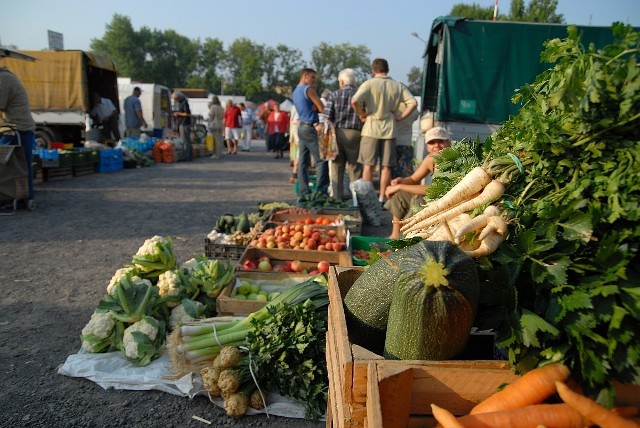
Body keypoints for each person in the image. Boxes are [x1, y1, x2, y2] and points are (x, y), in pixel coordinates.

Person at [351, 58, 417, 206]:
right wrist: (400, 117)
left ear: (373, 70)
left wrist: (362, 114)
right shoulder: (397, 85)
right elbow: (413, 103)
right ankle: (382, 197)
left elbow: (354, 101)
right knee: (386, 166)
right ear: (387, 69)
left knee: (368, 164)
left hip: (371, 127)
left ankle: (367, 199)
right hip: (390, 128)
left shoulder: (369, 84)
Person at [384, 127, 452, 239]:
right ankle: (395, 235)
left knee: (418, 200)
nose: (436, 145)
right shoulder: (431, 159)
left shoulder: (451, 161)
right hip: (434, 197)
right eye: (432, 142)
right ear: (427, 147)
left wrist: (401, 186)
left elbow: (434, 190)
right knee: (399, 195)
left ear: (448, 142)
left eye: (441, 141)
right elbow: (414, 179)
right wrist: (401, 181)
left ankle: (407, 238)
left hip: (445, 202)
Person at [323, 68, 363, 200]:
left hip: (338, 134)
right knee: (355, 168)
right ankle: (356, 200)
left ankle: (337, 198)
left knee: (336, 167)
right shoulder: (360, 94)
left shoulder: (334, 95)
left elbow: (327, 116)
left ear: (341, 81)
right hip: (356, 134)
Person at [0, 65, 36, 202]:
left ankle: (20, 198)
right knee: (22, 166)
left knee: (12, 166)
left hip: (15, 129)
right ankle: (23, 198)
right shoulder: (8, 76)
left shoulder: (3, 79)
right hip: (20, 128)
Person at [292, 68, 329, 197]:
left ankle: (303, 191)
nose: (314, 81)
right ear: (305, 76)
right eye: (312, 77)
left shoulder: (296, 91)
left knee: (303, 161)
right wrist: (315, 107)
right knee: (321, 160)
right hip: (310, 127)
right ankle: (321, 191)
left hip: (301, 126)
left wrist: (312, 107)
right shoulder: (308, 90)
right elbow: (321, 107)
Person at [392, 97, 420, 179]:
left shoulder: (393, 107)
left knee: (390, 170)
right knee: (405, 172)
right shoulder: (413, 110)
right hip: (406, 143)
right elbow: (416, 116)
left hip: (392, 142)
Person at [172, 91, 192, 161]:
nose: (175, 101)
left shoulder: (184, 103)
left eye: (176, 99)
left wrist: (178, 113)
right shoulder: (182, 102)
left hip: (185, 123)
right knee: (187, 140)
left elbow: (187, 113)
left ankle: (187, 156)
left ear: (179, 97)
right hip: (183, 123)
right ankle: (188, 156)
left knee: (185, 140)